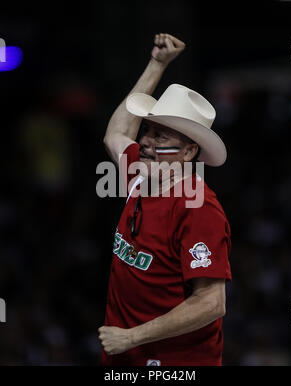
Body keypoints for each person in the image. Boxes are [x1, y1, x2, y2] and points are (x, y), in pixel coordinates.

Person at [98, 33, 231, 366]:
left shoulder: (199, 207)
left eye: (160, 136)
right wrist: (157, 64)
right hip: (122, 356)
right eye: (147, 130)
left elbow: (211, 303)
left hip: (174, 364)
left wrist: (132, 336)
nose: (145, 142)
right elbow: (116, 133)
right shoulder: (141, 175)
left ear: (188, 152)